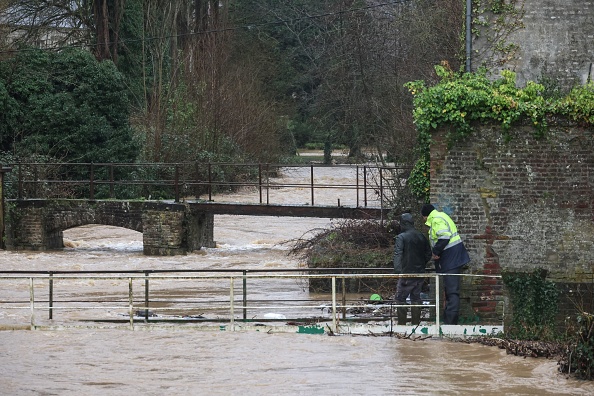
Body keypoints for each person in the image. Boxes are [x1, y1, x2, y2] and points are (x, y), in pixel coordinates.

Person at [421, 204, 470, 325]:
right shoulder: (442, 215)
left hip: (451, 258)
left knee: (452, 291)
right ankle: (449, 320)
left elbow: (444, 237)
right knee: (450, 290)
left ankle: (450, 324)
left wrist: (435, 252)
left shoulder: (436, 220)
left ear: (426, 216)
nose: (423, 220)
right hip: (452, 257)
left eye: (423, 218)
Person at [393, 213, 432, 325]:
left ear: (404, 224)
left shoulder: (401, 237)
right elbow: (428, 253)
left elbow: (398, 254)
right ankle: (415, 324)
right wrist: (421, 264)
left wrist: (398, 271)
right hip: (420, 273)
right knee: (416, 297)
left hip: (406, 273)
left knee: (400, 298)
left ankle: (402, 325)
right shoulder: (421, 236)